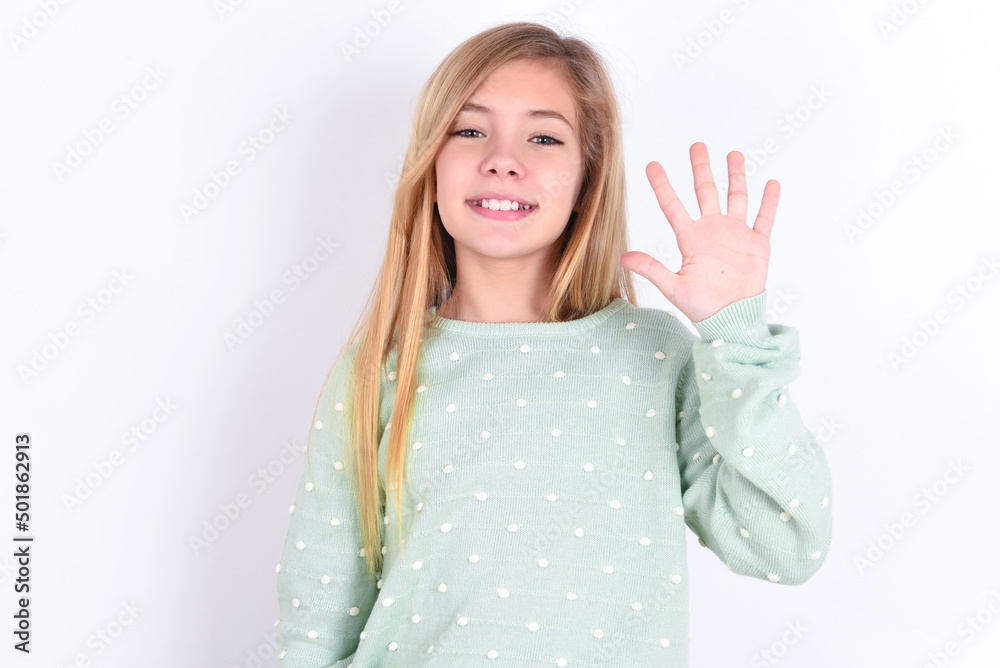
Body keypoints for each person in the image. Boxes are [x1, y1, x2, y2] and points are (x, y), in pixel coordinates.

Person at [274, 20, 833, 668]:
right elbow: (315, 620)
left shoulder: (652, 358)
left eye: (543, 136)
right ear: (430, 162)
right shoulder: (379, 368)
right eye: (469, 129)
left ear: (586, 177)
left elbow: (786, 544)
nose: (503, 158)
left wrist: (736, 339)